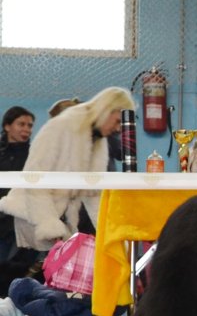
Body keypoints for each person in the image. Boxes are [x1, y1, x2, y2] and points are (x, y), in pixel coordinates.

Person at [0, 87, 135, 257]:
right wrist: (49, 225)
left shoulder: (96, 139)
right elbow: (33, 178)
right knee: (20, 279)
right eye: (117, 121)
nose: (118, 129)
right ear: (106, 110)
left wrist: (110, 233)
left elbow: (93, 194)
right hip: (31, 218)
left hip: (58, 223)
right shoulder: (63, 125)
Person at [0, 106, 36, 263]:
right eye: (21, 124)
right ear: (7, 126)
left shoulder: (35, 156)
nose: (27, 129)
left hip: (21, 224)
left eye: (29, 125)